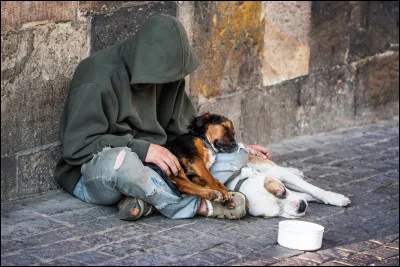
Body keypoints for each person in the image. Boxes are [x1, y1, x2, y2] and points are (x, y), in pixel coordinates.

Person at [54, 14, 271, 220]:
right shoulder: (97, 78)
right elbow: (77, 147)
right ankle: (199, 206)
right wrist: (143, 149)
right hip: (98, 174)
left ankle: (149, 199)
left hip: (160, 169)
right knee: (123, 163)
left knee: (236, 155)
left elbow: (186, 135)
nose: (169, 83)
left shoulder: (171, 77)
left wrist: (233, 146)